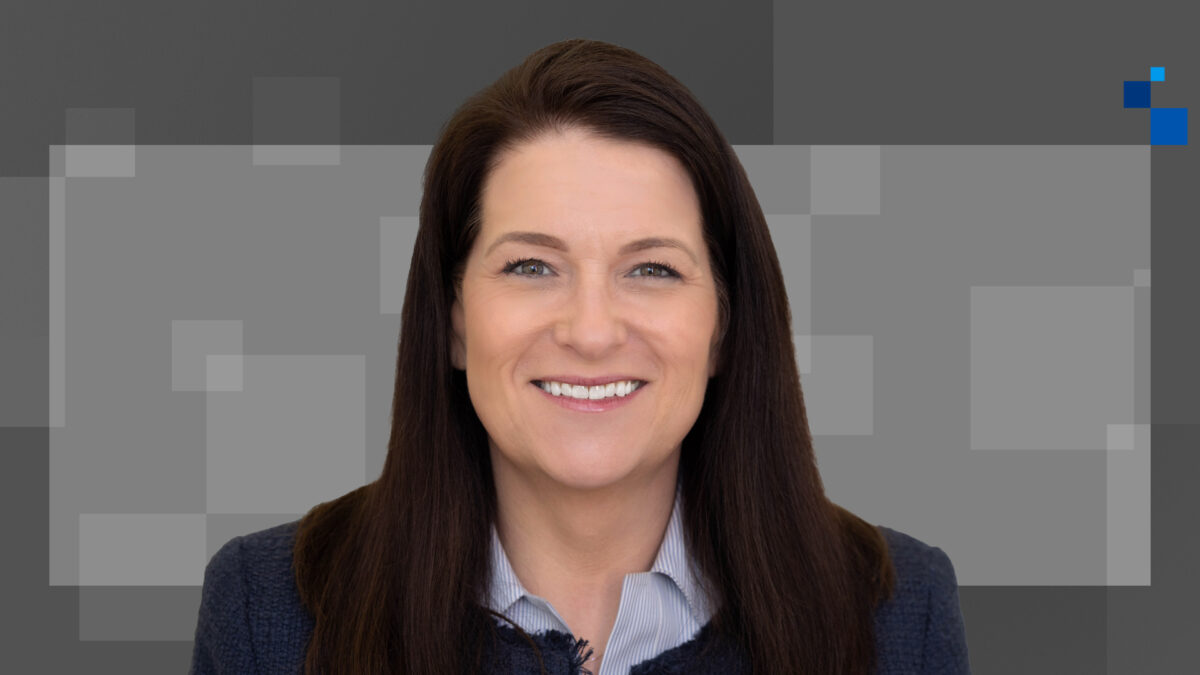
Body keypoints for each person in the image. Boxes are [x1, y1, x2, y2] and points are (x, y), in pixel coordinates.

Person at [189, 38, 970, 674]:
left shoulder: (895, 611)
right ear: (455, 318)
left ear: (724, 325)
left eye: (652, 269)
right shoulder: (273, 612)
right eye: (531, 266)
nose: (591, 331)